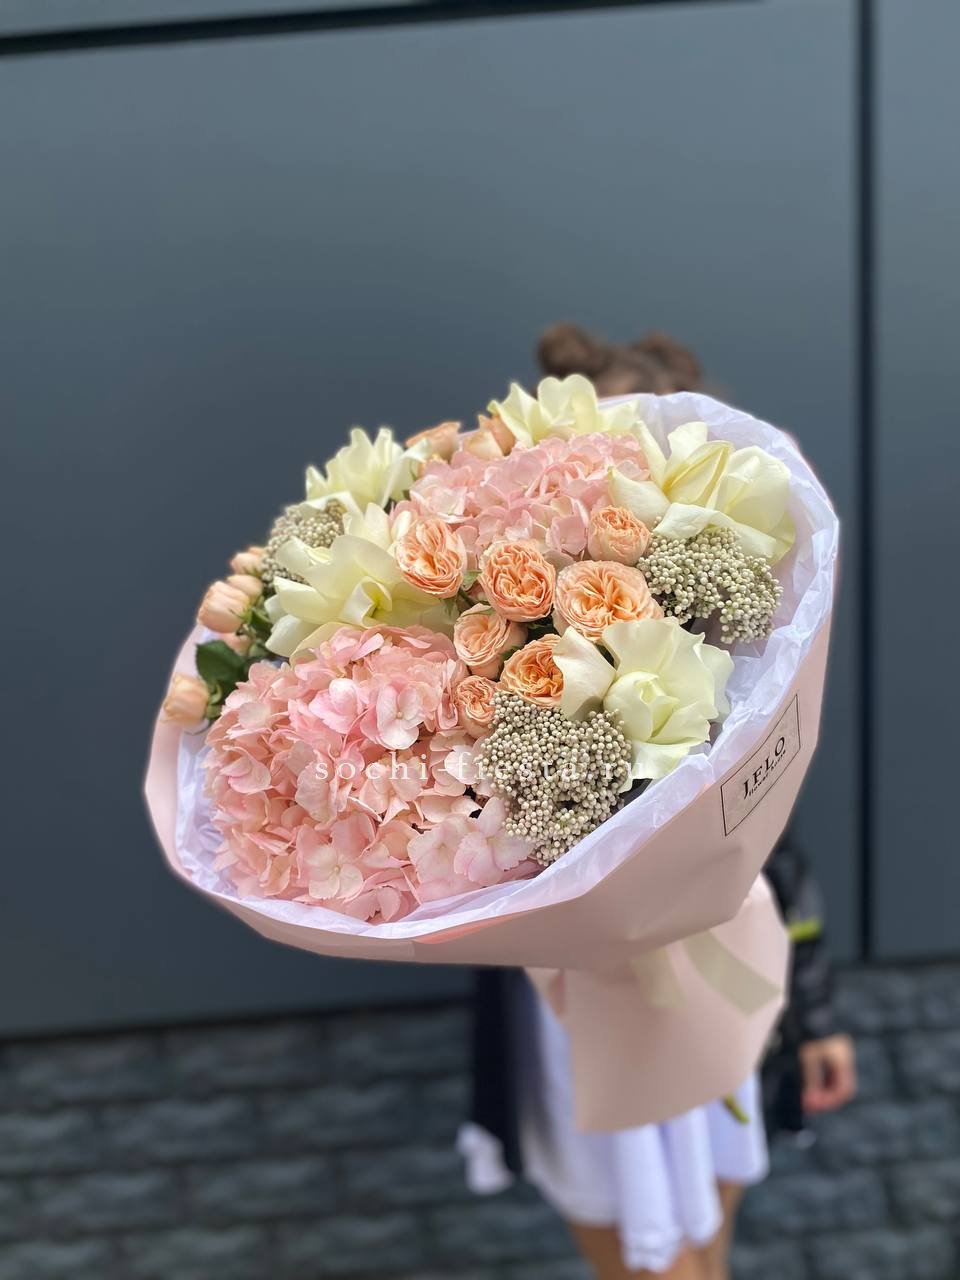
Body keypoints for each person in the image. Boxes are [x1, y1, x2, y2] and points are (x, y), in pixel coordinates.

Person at [461, 325, 856, 1280]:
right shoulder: (484, 633)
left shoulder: (729, 640)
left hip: (713, 973)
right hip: (573, 1004)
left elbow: (772, 840)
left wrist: (813, 1013)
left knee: (707, 1250)